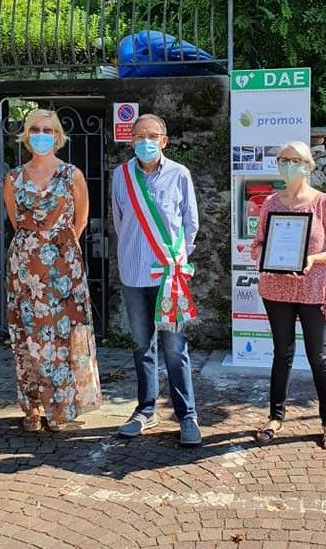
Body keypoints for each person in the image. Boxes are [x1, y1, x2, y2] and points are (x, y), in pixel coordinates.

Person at [3, 108, 101, 432]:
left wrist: (57, 248)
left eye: (48, 130)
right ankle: (33, 406)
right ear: (26, 135)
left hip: (63, 266)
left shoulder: (72, 175)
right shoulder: (13, 178)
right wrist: (36, 247)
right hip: (25, 269)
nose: (41, 135)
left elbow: (81, 220)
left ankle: (60, 407)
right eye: (35, 129)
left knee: (62, 335)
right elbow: (16, 222)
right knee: (27, 334)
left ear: (57, 136)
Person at [250, 140, 326, 450]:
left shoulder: (323, 203)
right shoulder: (271, 203)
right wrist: (265, 257)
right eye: (282, 160)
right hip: (277, 289)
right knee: (282, 353)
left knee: (318, 355)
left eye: (294, 160)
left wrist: (311, 259)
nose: (287, 165)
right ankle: (275, 417)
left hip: (314, 290)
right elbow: (258, 244)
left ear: (308, 166)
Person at [111, 113, 202, 446]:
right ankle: (146, 410)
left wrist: (175, 260)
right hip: (133, 275)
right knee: (142, 346)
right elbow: (120, 221)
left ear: (164, 140)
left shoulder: (180, 174)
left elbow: (191, 224)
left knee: (175, 348)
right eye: (139, 136)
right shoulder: (120, 176)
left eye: (152, 136)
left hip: (168, 277)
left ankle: (187, 416)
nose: (145, 141)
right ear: (131, 141)